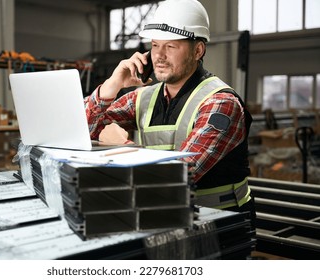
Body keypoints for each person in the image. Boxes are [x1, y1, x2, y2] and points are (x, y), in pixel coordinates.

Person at [84, 0, 256, 228]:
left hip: (220, 224)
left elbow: (178, 178)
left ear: (198, 50)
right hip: (164, 217)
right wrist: (112, 84)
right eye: (155, 45)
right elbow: (80, 130)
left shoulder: (220, 103)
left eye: (171, 47)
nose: (159, 56)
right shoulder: (142, 97)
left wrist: (124, 149)